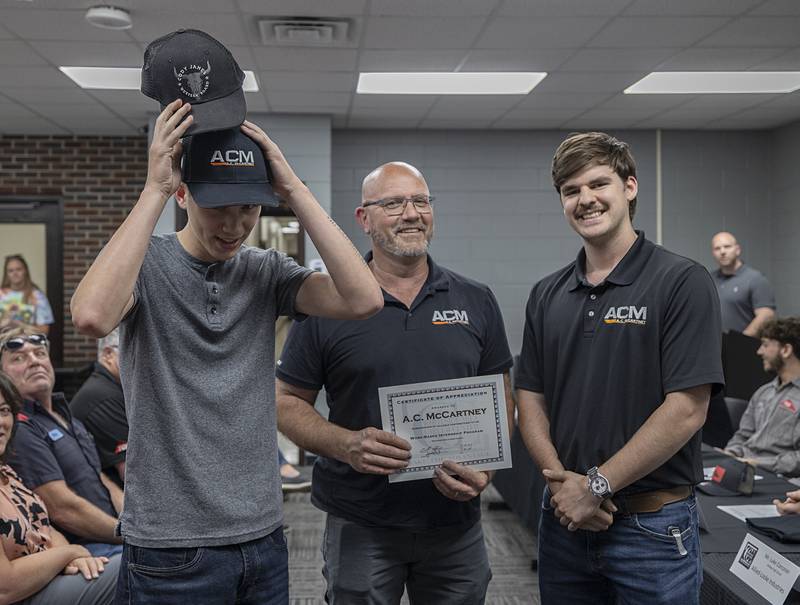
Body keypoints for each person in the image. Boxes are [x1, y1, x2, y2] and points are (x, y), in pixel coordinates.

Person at [70, 103, 382, 602]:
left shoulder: (266, 271)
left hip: (261, 537)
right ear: (184, 193)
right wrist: (153, 188)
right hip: (170, 547)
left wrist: (295, 192)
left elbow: (364, 300)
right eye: (221, 207)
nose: (236, 226)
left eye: (250, 208)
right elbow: (90, 316)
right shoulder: (146, 265)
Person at [276, 161, 514, 604]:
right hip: (361, 520)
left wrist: (485, 469)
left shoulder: (476, 300)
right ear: (363, 219)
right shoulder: (327, 304)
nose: (411, 213)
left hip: (454, 524)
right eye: (393, 203)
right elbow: (286, 402)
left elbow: (500, 396)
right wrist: (345, 443)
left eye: (420, 201)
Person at [516, 132, 724, 605]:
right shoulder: (546, 294)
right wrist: (565, 489)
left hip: (652, 531)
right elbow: (530, 398)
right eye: (571, 191)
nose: (585, 199)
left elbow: (688, 409)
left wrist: (596, 485)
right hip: (566, 523)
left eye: (598, 184)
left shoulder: (681, 281)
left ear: (629, 187)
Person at [0, 327, 123, 559]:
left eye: (40, 353)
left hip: (113, 537)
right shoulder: (19, 427)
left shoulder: (65, 416)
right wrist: (129, 534)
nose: (35, 362)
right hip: (86, 551)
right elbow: (62, 509)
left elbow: (100, 478)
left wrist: (134, 522)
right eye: (19, 358)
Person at [0, 371, 120, 605]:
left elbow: (46, 528)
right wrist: (71, 553)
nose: (1, 422)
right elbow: (4, 586)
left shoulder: (7, 472)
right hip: (22, 596)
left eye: (4, 411)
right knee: (135, 571)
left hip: (48, 580)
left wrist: (71, 560)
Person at [725, 317, 800, 476]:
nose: (759, 351)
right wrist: (731, 453)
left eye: (765, 345)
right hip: (745, 471)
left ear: (786, 350)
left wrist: (756, 463)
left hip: (780, 479)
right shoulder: (763, 392)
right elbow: (742, 435)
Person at [70, 328, 128, 486]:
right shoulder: (104, 397)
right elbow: (133, 472)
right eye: (133, 350)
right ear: (108, 354)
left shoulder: (112, 387)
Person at [710, 231, 775, 336]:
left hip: (743, 347)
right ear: (713, 253)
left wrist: (742, 339)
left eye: (727, 246)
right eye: (717, 248)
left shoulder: (755, 279)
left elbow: (766, 314)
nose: (722, 251)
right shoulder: (710, 279)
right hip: (716, 346)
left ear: (737, 250)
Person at [0, 255, 54, 335]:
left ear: (25, 271)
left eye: (18, 269)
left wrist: (19, 325)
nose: (15, 273)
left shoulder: (37, 296)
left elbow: (44, 330)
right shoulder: (1, 295)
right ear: (6, 273)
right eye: (10, 271)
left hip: (28, 344)